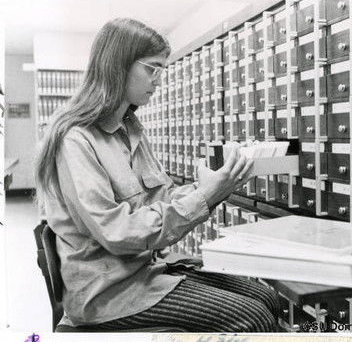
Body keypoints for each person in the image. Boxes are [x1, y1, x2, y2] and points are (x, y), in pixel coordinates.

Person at [34, 18, 280, 332]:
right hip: (109, 292)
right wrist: (203, 198)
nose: (159, 80)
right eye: (152, 68)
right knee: (253, 317)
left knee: (266, 297)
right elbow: (116, 232)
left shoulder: (130, 129)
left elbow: (158, 199)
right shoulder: (75, 141)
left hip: (145, 270)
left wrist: (205, 188)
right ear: (118, 66)